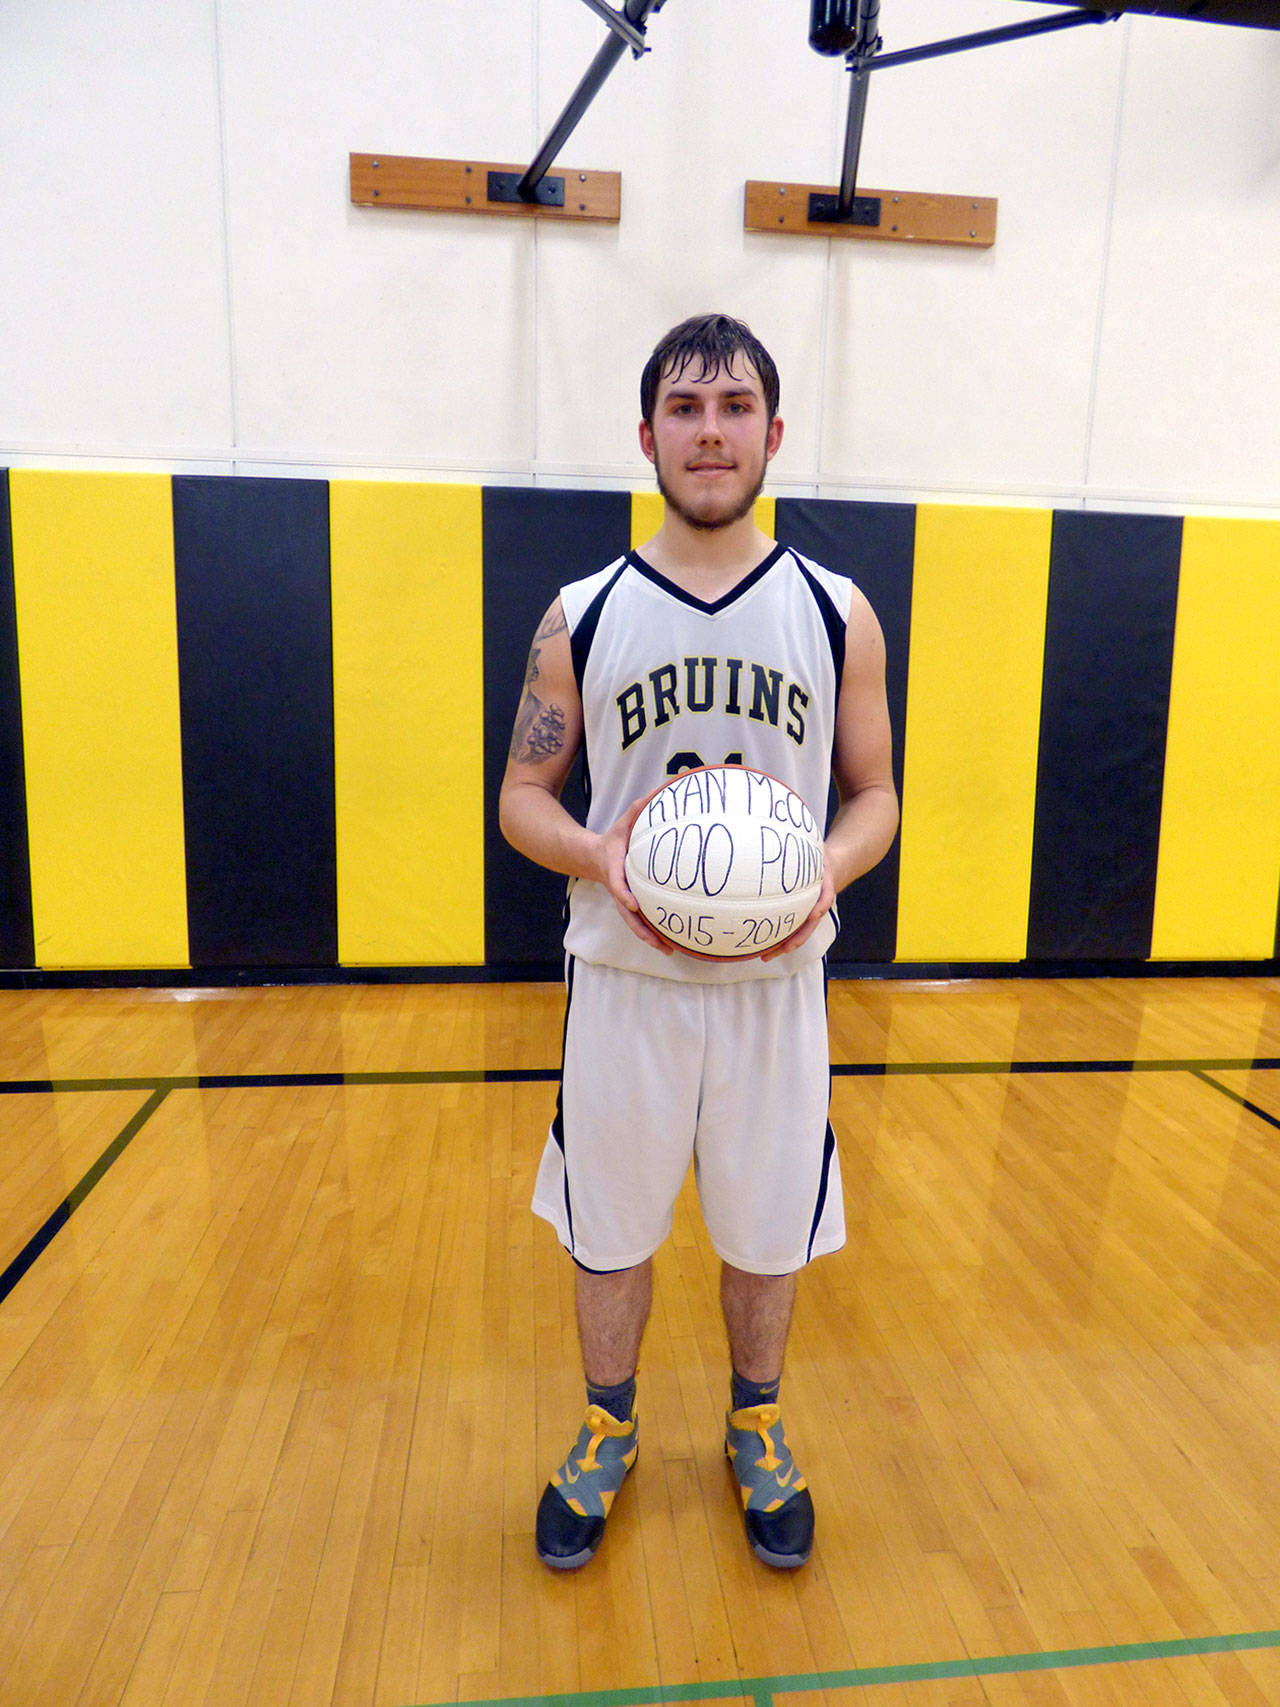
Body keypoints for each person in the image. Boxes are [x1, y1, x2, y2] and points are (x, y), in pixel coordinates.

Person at [498, 312, 898, 1571]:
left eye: (733, 408)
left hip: (777, 983)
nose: (710, 431)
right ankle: (606, 1428)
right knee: (609, 1223)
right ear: (647, 436)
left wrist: (812, 873)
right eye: (685, 408)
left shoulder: (839, 616)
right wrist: (598, 855)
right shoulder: (580, 615)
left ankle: (756, 1423)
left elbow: (876, 796)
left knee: (766, 1227)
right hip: (624, 980)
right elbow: (520, 800)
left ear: (772, 435)